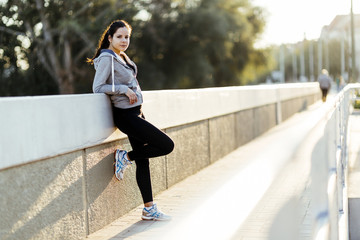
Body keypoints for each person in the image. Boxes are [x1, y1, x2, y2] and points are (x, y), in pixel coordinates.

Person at [88, 20, 174, 221]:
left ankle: (148, 209)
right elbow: (98, 87)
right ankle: (125, 157)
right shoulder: (107, 57)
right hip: (125, 116)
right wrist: (123, 90)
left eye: (127, 37)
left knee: (143, 160)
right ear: (110, 38)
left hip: (136, 112)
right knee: (166, 145)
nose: (124, 40)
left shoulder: (121, 56)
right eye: (119, 36)